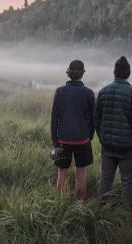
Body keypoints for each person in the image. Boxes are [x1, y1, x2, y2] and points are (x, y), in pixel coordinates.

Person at [95, 56, 132, 211]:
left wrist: (103, 138)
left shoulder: (103, 92)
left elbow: (96, 119)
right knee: (127, 183)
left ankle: (100, 213)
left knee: (105, 180)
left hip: (108, 146)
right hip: (128, 148)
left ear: (114, 72)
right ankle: (126, 218)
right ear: (128, 73)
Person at [50, 60, 96, 201]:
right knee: (81, 172)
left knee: (62, 172)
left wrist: (54, 140)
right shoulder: (89, 93)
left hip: (63, 139)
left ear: (68, 73)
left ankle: (59, 203)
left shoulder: (60, 91)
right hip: (83, 139)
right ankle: (79, 206)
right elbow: (93, 119)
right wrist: (90, 135)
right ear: (82, 74)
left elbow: (54, 117)